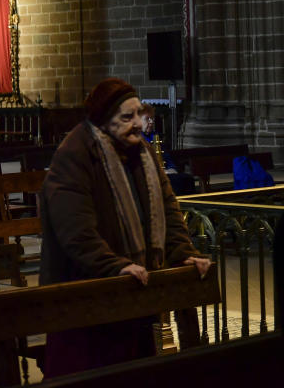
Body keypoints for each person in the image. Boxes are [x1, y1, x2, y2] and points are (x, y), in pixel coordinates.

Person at [39, 78, 211, 377]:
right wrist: (113, 265)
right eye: (126, 117)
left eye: (139, 115)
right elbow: (74, 229)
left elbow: (168, 210)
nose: (137, 124)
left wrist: (183, 252)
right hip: (86, 299)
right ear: (104, 120)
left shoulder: (143, 154)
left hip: (135, 293)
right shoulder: (75, 154)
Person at [139, 102, 195, 195]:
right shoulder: (137, 139)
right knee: (176, 183)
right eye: (147, 119)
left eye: (152, 118)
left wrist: (171, 169)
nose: (151, 122)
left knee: (187, 179)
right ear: (139, 121)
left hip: (164, 173)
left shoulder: (155, 136)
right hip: (150, 176)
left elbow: (166, 157)